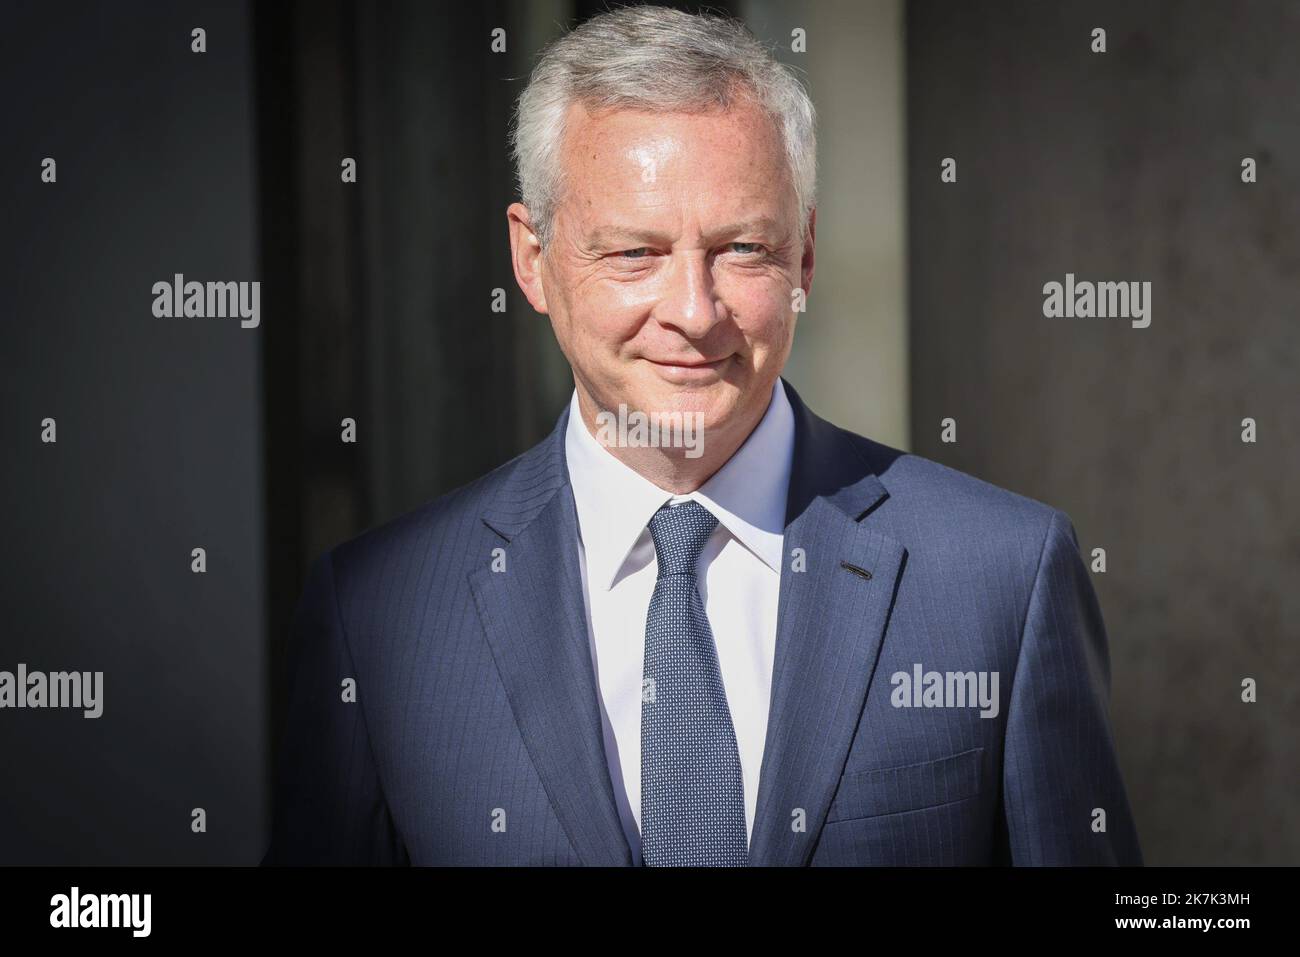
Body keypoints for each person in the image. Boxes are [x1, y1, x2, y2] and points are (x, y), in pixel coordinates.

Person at [263, 5, 1142, 866]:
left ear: (803, 255)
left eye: (741, 249)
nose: (692, 311)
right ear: (533, 260)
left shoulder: (1000, 577)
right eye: (633, 253)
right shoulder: (379, 616)